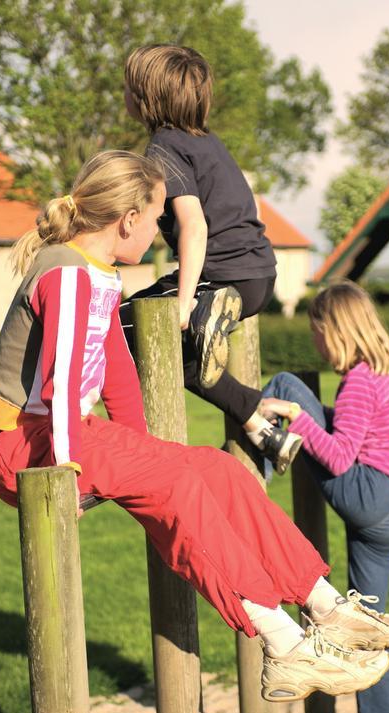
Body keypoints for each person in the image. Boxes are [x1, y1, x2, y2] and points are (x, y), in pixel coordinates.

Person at [0, 151, 389, 706]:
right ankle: (283, 647)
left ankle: (327, 607)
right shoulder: (65, 273)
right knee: (179, 487)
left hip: (68, 431)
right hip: (23, 446)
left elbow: (117, 376)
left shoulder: (101, 277)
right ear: (128, 219)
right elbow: (62, 383)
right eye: (159, 219)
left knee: (216, 468)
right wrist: (68, 471)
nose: (163, 234)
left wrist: (153, 452)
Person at [260, 280, 389, 713]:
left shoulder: (357, 379)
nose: (314, 340)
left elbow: (335, 456)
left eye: (317, 331)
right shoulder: (381, 374)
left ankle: (255, 479)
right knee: (369, 630)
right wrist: (316, 418)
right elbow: (352, 431)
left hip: (369, 495)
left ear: (336, 330)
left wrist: (297, 415)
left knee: (288, 385)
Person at [121, 43, 302, 475]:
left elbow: (195, 226)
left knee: (124, 327)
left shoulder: (162, 149)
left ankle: (204, 312)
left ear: (147, 97)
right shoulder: (208, 143)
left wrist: (182, 303)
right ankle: (260, 422)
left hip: (219, 275)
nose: (123, 94)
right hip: (258, 273)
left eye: (128, 87)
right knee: (179, 355)